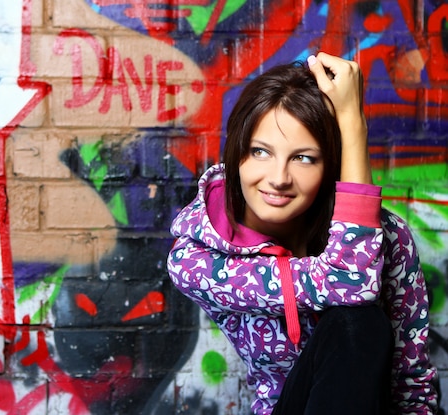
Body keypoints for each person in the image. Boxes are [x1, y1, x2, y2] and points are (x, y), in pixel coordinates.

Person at [166, 52, 438, 414]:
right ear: (236, 155)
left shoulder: (388, 236)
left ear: (332, 165)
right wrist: (353, 124)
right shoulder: (197, 259)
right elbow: (350, 282)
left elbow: (411, 376)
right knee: (355, 320)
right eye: (260, 152)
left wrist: (351, 129)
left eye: (304, 158)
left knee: (360, 323)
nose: (278, 178)